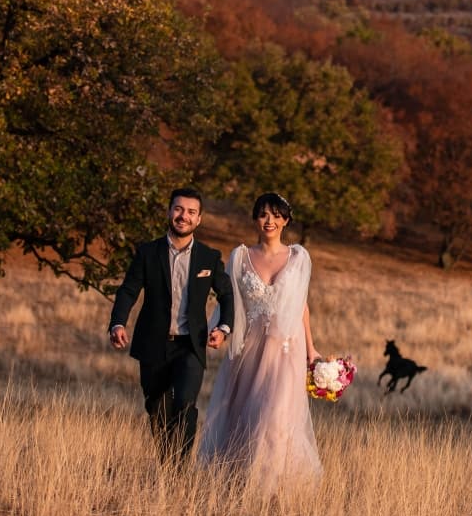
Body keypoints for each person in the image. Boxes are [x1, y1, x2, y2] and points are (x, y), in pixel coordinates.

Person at [199, 192, 323, 492]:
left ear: (286, 220)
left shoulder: (298, 257)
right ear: (255, 218)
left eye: (276, 215)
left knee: (277, 416)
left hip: (285, 349)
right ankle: (238, 480)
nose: (270, 221)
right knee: (245, 413)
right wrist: (219, 330)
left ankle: (271, 486)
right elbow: (228, 302)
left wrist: (311, 349)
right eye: (263, 214)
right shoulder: (240, 256)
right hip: (249, 347)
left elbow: (301, 306)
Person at [108, 188, 235, 463]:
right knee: (157, 409)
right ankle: (169, 464)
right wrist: (118, 322)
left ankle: (179, 471)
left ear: (199, 219)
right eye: (178, 209)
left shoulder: (208, 257)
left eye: (191, 212)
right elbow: (129, 290)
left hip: (190, 345)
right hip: (153, 343)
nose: (183, 216)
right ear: (169, 212)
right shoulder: (147, 252)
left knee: (186, 405)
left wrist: (224, 328)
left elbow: (226, 294)